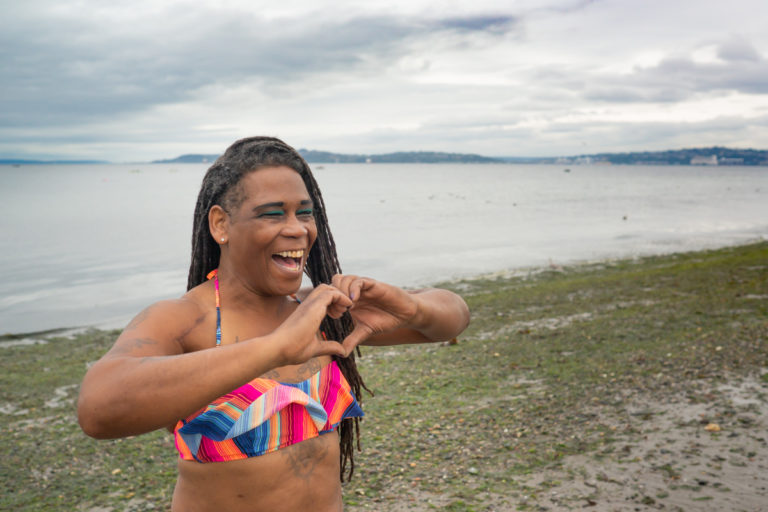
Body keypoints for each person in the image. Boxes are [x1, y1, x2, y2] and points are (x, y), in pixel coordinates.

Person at [77, 136, 470, 512]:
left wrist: (412, 308)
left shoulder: (318, 310)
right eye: (272, 213)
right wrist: (276, 347)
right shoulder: (185, 319)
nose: (298, 228)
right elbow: (98, 408)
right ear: (221, 225)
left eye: (305, 212)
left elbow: (453, 317)